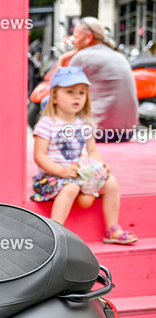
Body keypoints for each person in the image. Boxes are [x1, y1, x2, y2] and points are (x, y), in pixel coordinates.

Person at [31, 66, 136, 245]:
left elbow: (92, 151)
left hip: (80, 176)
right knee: (71, 188)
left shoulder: (85, 124)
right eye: (70, 91)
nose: (77, 97)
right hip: (51, 178)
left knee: (111, 182)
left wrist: (101, 166)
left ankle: (113, 229)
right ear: (55, 96)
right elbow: (39, 156)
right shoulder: (47, 124)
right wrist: (61, 171)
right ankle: (55, 235)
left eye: (81, 92)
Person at [58, 17, 138, 142]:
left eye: (76, 37)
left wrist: (62, 60)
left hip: (100, 132)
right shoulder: (118, 55)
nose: (73, 41)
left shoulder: (82, 57)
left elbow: (58, 88)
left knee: (48, 101)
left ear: (89, 37)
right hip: (127, 132)